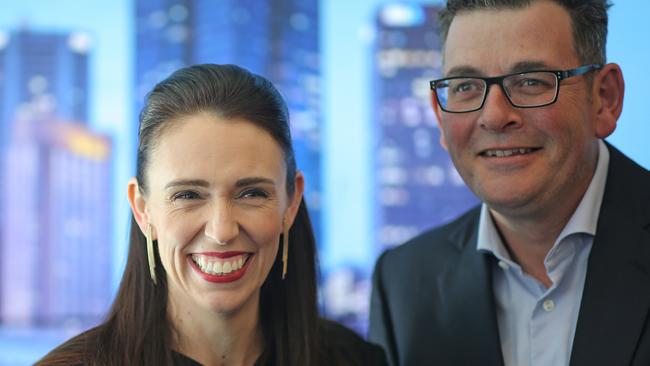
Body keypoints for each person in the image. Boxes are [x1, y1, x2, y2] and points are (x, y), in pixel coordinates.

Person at [37, 64, 387, 366]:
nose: (222, 230)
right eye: (187, 195)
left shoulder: (355, 360)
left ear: (291, 202)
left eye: (252, 193)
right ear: (143, 208)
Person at [369, 1, 650, 365]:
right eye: (466, 86)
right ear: (439, 117)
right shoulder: (403, 284)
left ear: (604, 99)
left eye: (531, 81)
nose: (495, 116)